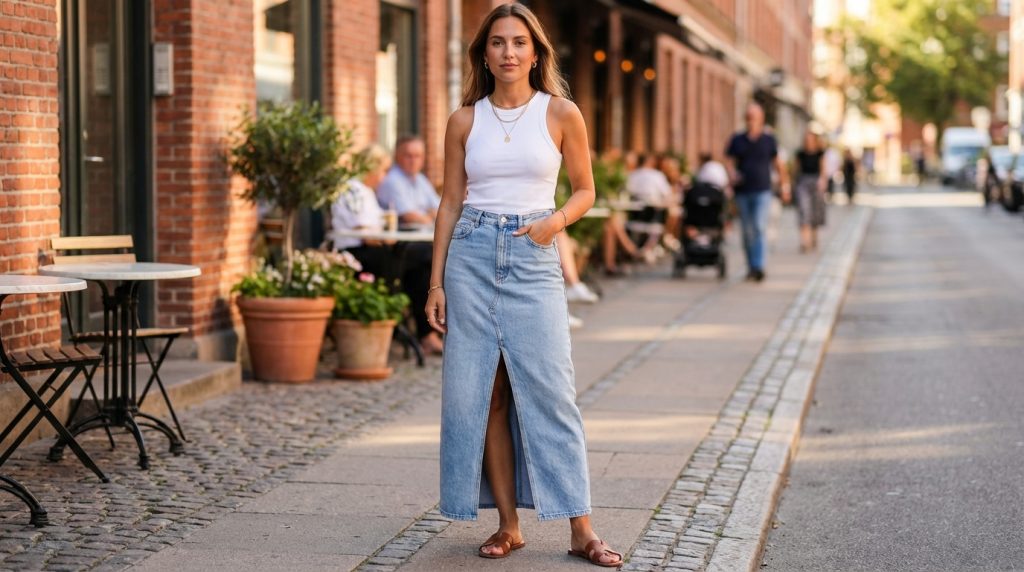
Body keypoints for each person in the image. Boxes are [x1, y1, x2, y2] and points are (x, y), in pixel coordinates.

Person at [424, 4, 622, 567]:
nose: (508, 52)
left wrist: (552, 226)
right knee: (483, 395)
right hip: (472, 256)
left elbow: (585, 190)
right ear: (483, 54)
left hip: (533, 256)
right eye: (496, 43)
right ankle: (509, 526)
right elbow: (450, 202)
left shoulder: (561, 113)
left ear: (536, 52)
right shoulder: (464, 121)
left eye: (518, 42)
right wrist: (436, 283)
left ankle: (582, 529)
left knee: (552, 394)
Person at [330, 145, 443, 354]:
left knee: (421, 268)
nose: (383, 178)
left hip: (374, 252)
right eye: (382, 171)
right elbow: (367, 236)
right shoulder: (353, 191)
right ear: (371, 168)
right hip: (356, 255)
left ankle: (426, 333)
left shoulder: (365, 192)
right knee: (425, 257)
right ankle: (415, 330)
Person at [725, 102, 790, 282]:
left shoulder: (769, 140)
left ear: (761, 119)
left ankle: (759, 265)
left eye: (754, 117)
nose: (751, 121)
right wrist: (731, 175)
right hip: (743, 191)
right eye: (748, 117)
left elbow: (778, 165)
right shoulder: (737, 139)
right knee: (747, 231)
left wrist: (785, 187)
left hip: (763, 190)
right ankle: (751, 266)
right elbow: (729, 162)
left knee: (759, 227)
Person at [377, 135, 441, 225]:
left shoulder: (421, 179)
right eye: (408, 156)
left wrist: (430, 215)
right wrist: (430, 216)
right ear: (396, 156)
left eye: (417, 156)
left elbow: (440, 209)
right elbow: (408, 216)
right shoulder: (391, 180)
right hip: (403, 236)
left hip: (423, 233)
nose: (413, 161)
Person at [793, 131, 828, 253]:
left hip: (816, 183)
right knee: (804, 211)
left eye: (811, 139)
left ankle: (814, 237)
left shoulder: (820, 154)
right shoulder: (800, 154)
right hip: (803, 183)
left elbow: (823, 169)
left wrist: (823, 181)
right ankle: (805, 242)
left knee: (815, 213)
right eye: (806, 139)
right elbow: (795, 170)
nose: (808, 142)